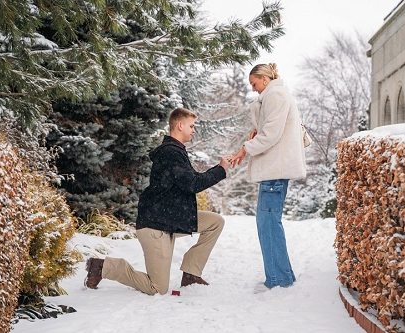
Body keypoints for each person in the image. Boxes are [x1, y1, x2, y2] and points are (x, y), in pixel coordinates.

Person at [84, 107, 234, 295]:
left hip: (171, 218)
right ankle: (102, 266)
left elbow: (190, 180)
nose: (194, 130)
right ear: (180, 125)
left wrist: (219, 168)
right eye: (191, 126)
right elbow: (192, 184)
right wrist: (220, 169)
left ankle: (191, 274)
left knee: (215, 222)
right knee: (157, 288)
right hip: (156, 225)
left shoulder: (176, 151)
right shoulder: (170, 152)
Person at [231, 63, 307, 293]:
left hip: (275, 171)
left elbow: (272, 134)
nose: (253, 89)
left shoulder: (275, 94)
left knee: (268, 225)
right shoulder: (278, 94)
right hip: (276, 170)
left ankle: (278, 280)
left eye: (254, 83)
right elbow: (288, 130)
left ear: (264, 79)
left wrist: (245, 148)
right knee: (269, 224)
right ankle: (282, 277)